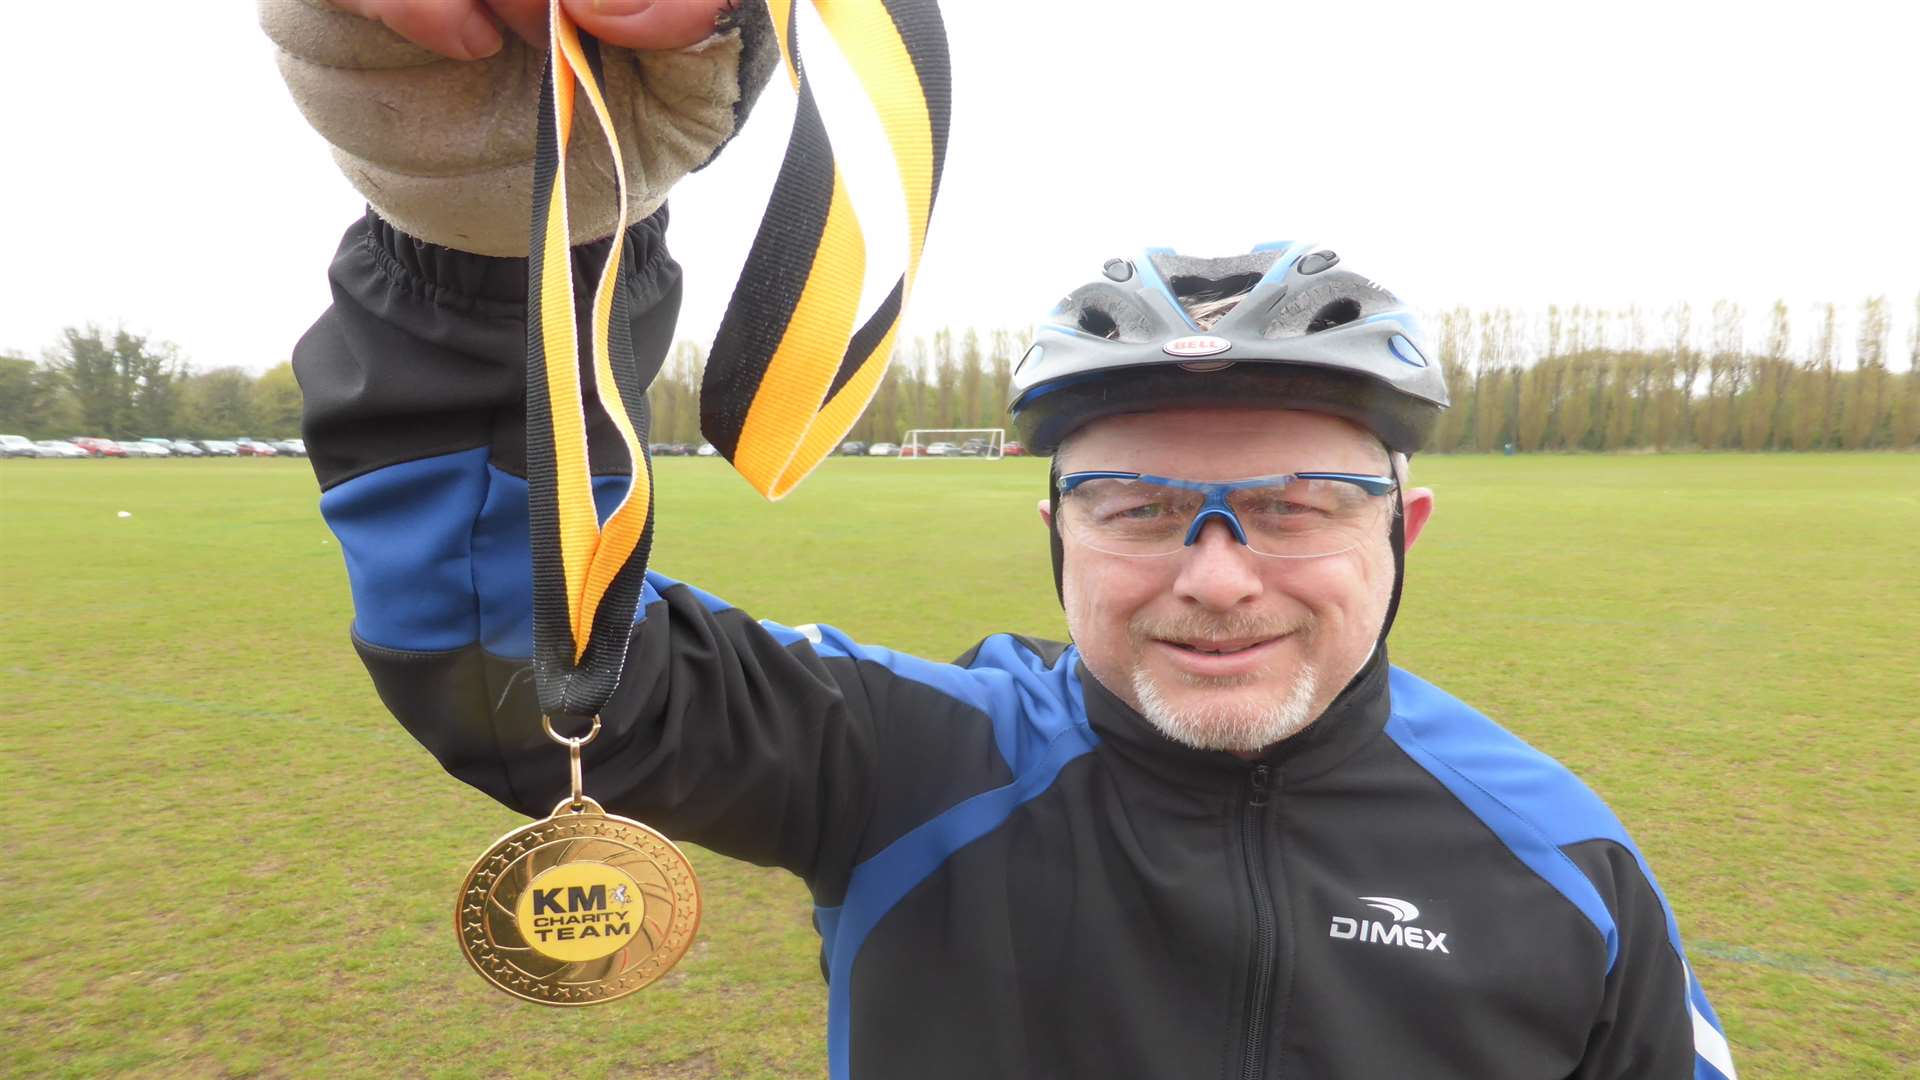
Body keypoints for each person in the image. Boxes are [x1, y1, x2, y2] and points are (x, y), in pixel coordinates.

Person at [273, 3, 1737, 1077]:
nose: (1215, 575)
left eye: (1291, 505)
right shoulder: (914, 762)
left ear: (1403, 530)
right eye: (1140, 508)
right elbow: (508, 644)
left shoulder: (1568, 866)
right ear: (1057, 537)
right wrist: (482, 211)